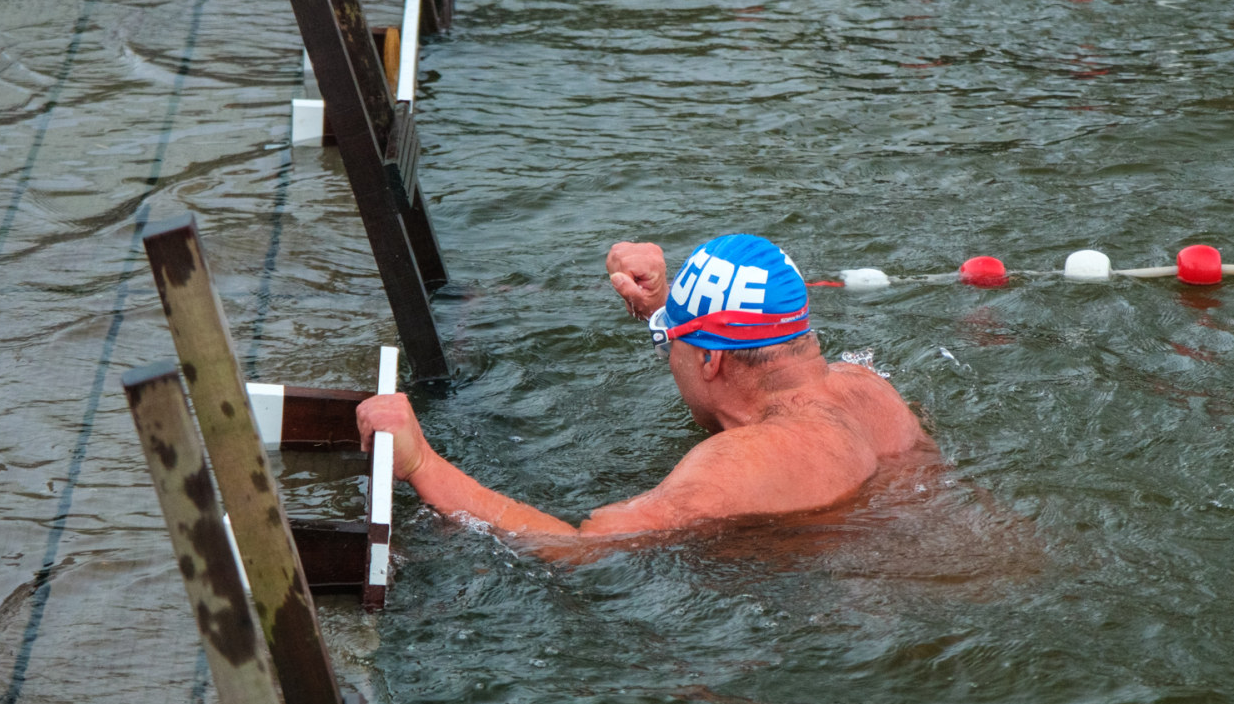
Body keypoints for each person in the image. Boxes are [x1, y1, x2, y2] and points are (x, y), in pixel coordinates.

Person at [355, 234, 936, 547]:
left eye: (672, 341)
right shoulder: (869, 389)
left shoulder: (733, 468)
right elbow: (719, 359)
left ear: (709, 359)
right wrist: (661, 307)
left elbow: (577, 547)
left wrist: (423, 462)